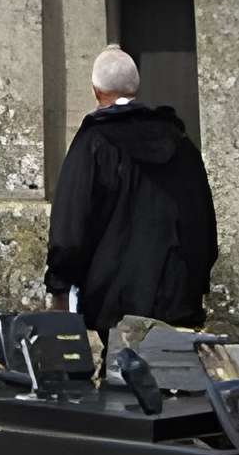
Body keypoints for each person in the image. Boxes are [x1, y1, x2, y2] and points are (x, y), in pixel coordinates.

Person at [43, 46, 218, 333]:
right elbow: (204, 221)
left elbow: (69, 227)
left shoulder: (94, 143)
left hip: (114, 302)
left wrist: (59, 286)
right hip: (178, 296)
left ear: (96, 91)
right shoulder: (180, 142)